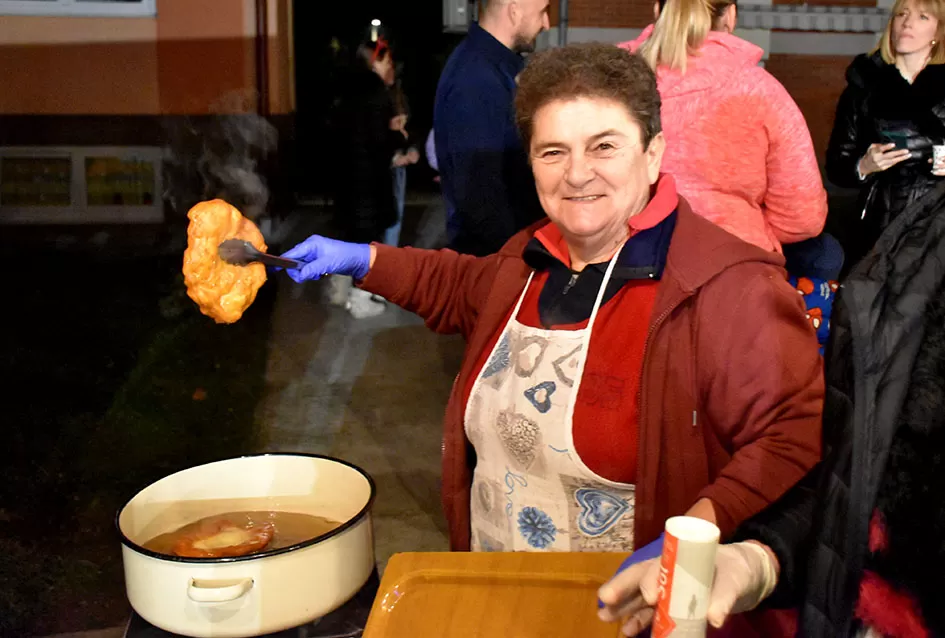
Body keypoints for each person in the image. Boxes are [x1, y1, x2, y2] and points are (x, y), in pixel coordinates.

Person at [283, 43, 823, 569]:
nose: (577, 173)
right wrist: (361, 259)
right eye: (553, 151)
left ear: (653, 153)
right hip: (499, 587)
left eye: (604, 146)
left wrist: (699, 531)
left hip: (626, 604)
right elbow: (457, 284)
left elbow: (794, 433)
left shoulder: (728, 288)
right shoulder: (527, 259)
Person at [598, 180, 945, 638]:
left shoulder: (739, 287)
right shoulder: (925, 240)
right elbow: (869, 473)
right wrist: (761, 557)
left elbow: (790, 431)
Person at [618, 0, 831, 273]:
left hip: (622, 264)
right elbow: (803, 217)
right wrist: (747, 225)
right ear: (730, 15)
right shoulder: (760, 90)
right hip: (732, 267)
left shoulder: (611, 82)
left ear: (658, 10)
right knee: (826, 254)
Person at [825, 0, 945, 272]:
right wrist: (864, 165)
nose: (907, 23)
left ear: (938, 32)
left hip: (937, 223)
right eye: (902, 14)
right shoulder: (863, 86)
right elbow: (837, 165)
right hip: (881, 222)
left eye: (922, 17)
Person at [433, 0, 550, 256]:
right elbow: (480, 196)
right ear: (514, 10)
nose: (547, 24)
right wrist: (515, 258)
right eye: (543, 12)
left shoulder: (494, 68)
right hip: (497, 258)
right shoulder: (476, 79)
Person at [326, 37, 409, 318]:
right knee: (367, 240)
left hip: (346, 179)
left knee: (351, 236)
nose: (391, 67)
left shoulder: (345, 92)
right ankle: (360, 298)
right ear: (374, 63)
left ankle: (339, 289)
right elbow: (379, 141)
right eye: (387, 61)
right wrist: (399, 135)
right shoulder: (376, 94)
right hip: (369, 183)